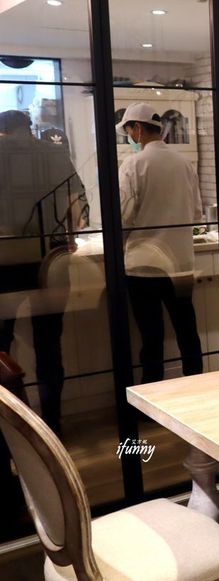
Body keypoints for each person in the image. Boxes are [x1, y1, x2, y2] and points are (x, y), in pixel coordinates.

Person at [0, 109, 83, 434]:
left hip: (5, 264)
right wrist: (70, 237)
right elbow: (76, 205)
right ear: (30, 127)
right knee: (49, 344)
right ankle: (52, 424)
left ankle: (11, 429)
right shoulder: (54, 152)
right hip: (50, 262)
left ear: (3, 131)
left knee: (2, 347)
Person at [116, 103, 203, 384]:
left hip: (144, 266)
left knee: (151, 338)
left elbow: (122, 217)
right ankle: (198, 388)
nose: (129, 136)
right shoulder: (184, 164)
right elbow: (196, 213)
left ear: (137, 128)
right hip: (180, 264)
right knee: (187, 331)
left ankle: (151, 397)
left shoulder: (133, 165)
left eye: (129, 130)